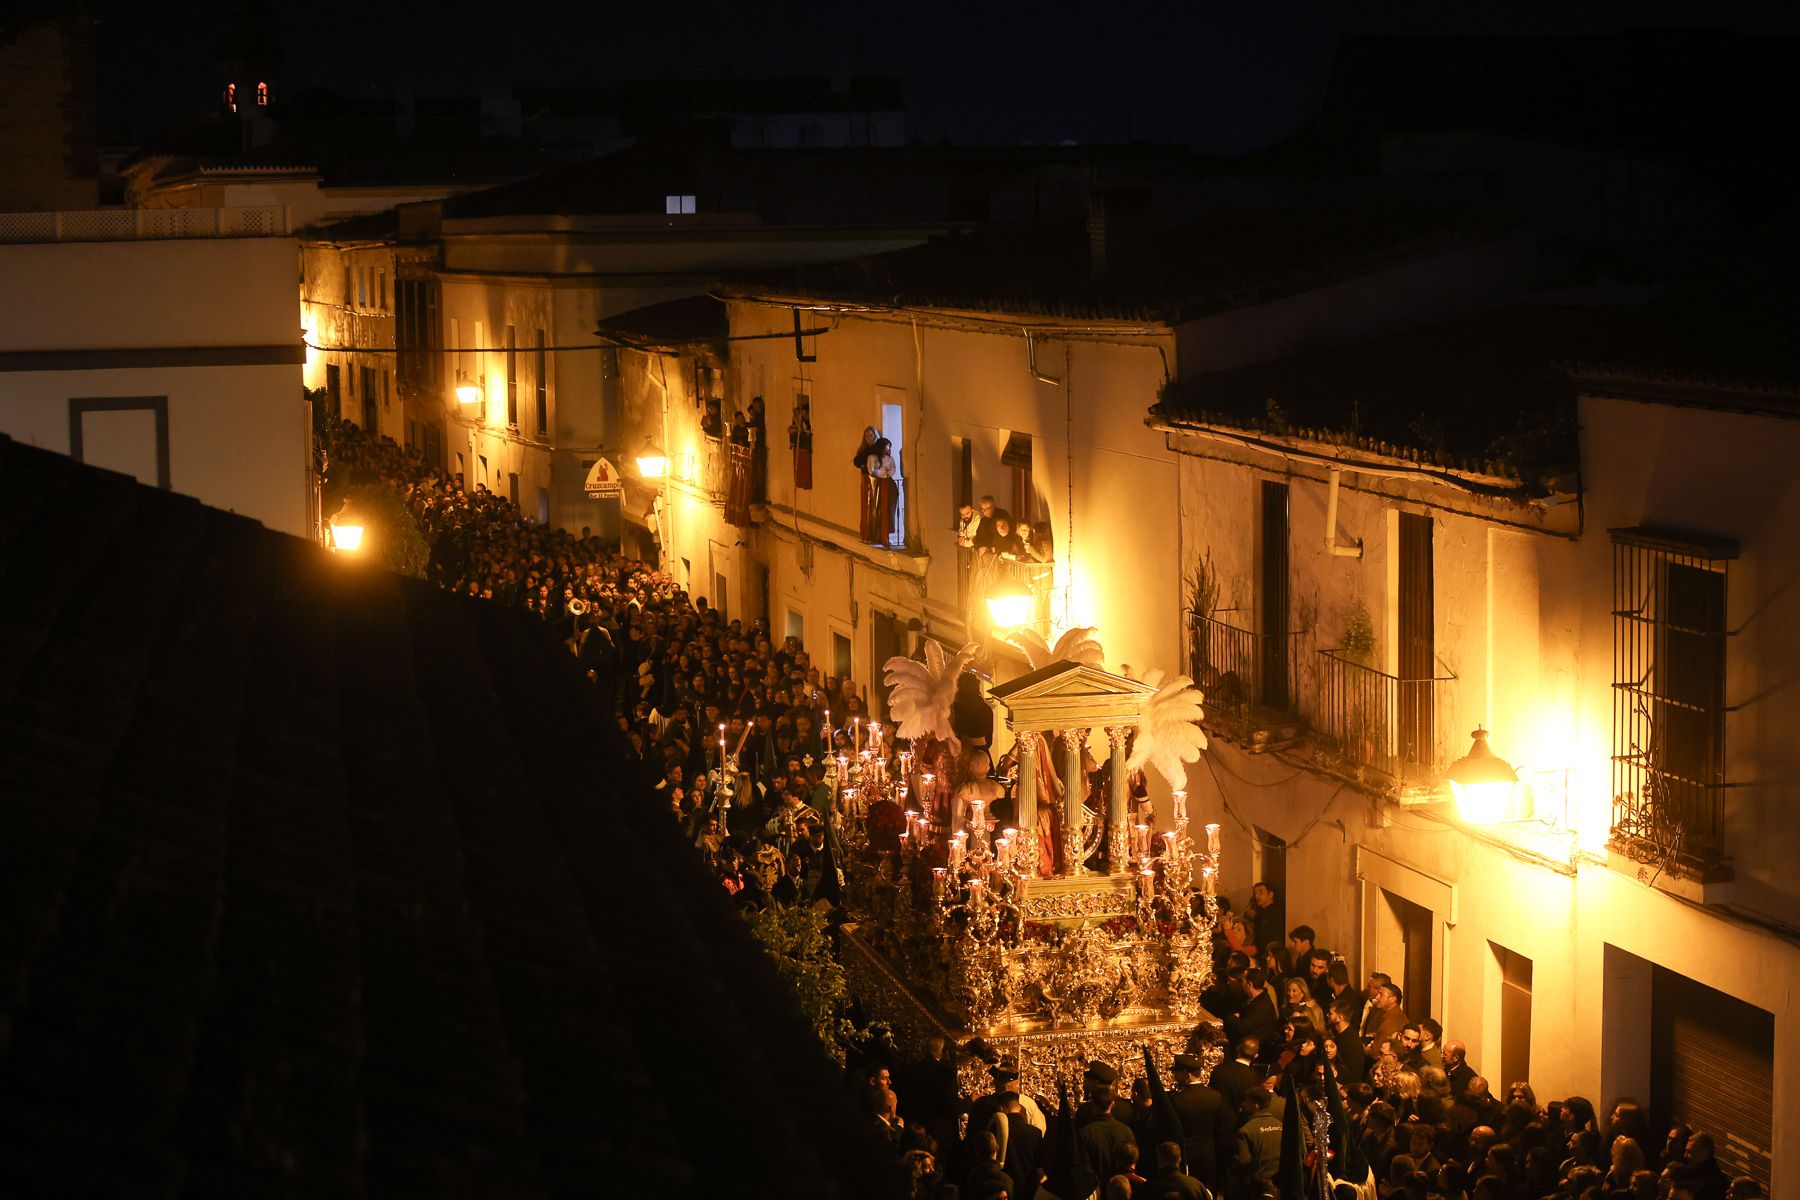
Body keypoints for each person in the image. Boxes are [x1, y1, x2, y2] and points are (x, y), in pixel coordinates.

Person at [1169, 1052, 1231, 1193]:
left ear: (1187, 1074)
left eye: (1176, 1072)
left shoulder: (1176, 1100)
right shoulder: (1215, 1096)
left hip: (1186, 1157)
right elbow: (1222, 1129)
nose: (1174, 1076)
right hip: (1210, 1155)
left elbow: (1173, 1131)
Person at [867, 437, 899, 546]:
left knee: (889, 509)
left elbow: (892, 470)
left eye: (889, 447)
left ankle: (887, 534)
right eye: (886, 446)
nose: (888, 449)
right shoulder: (872, 457)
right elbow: (872, 470)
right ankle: (877, 534)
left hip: (889, 485)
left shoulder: (890, 459)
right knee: (878, 509)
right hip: (877, 485)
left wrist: (885, 473)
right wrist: (883, 472)